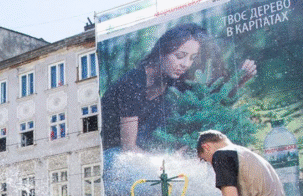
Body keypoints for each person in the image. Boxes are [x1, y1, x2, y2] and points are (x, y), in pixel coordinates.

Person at [101, 23, 257, 154]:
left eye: (192, 58)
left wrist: (241, 79)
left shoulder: (173, 82)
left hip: (144, 156)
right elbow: (128, 148)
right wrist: (168, 163)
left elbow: (211, 100)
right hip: (112, 155)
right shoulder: (132, 82)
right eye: (180, 56)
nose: (186, 64)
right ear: (161, 52)